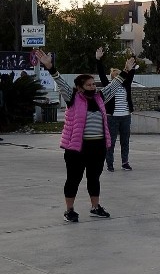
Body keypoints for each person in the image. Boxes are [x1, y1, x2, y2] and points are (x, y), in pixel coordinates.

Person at [33, 48, 132, 223]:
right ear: (80, 88)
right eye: (89, 85)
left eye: (93, 84)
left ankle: (95, 207)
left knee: (94, 178)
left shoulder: (100, 97)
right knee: (74, 179)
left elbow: (115, 85)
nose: (93, 87)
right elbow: (61, 82)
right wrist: (50, 66)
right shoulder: (72, 97)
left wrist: (126, 70)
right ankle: (69, 210)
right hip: (77, 148)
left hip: (98, 146)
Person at [95, 47, 138, 171]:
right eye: (116, 74)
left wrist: (133, 57)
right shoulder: (109, 86)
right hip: (112, 117)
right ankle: (110, 164)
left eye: (120, 74)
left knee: (125, 141)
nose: (119, 76)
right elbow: (101, 73)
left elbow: (132, 70)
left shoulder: (127, 84)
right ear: (113, 76)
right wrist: (98, 59)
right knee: (111, 142)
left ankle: (125, 162)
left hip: (125, 116)